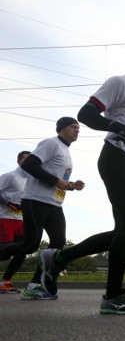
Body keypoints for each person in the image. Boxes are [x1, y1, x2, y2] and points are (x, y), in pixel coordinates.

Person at [38, 39, 125, 315]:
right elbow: (86, 114)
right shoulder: (120, 82)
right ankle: (112, 296)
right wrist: (116, 126)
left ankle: (58, 258)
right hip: (115, 156)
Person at [0, 118, 84, 301]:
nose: (77, 130)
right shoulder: (51, 143)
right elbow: (30, 165)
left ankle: (35, 285)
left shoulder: (66, 152)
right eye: (73, 127)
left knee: (57, 243)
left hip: (54, 204)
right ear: (62, 129)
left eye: (79, 128)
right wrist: (55, 181)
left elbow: (57, 180)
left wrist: (71, 185)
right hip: (35, 200)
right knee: (29, 245)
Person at [0, 150, 31, 293]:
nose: (29, 162)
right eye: (26, 159)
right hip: (5, 218)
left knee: (24, 249)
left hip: (21, 220)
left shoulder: (31, 180)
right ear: (19, 161)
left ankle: (5, 281)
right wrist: (7, 203)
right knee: (5, 252)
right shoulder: (10, 176)